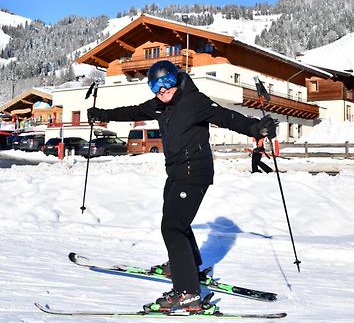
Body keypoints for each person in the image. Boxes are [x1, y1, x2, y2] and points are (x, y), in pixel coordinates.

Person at [87, 60, 277, 312]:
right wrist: (103, 115)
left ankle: (187, 292)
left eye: (166, 84)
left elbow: (226, 116)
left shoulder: (194, 101)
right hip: (176, 173)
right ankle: (188, 264)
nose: (161, 91)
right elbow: (133, 111)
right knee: (177, 222)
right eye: (155, 87)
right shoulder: (158, 106)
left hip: (195, 173)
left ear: (176, 80)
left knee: (172, 227)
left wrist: (256, 128)